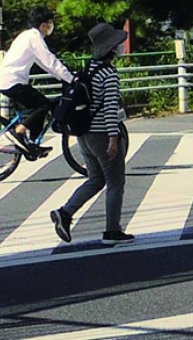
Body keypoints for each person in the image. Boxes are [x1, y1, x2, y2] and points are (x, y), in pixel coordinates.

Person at [48, 22, 133, 246]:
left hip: (83, 134)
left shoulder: (88, 69)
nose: (120, 47)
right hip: (102, 134)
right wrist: (113, 139)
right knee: (116, 183)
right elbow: (110, 109)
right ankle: (112, 231)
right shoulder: (109, 74)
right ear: (111, 48)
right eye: (117, 44)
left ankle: (65, 213)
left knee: (96, 179)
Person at [0, 8, 75, 159]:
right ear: (44, 25)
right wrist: (71, 79)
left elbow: (44, 64)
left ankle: (32, 144)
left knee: (38, 108)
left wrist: (63, 76)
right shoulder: (34, 37)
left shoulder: (27, 35)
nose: (51, 27)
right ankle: (19, 132)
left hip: (9, 80)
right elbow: (50, 61)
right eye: (50, 24)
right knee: (44, 105)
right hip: (13, 81)